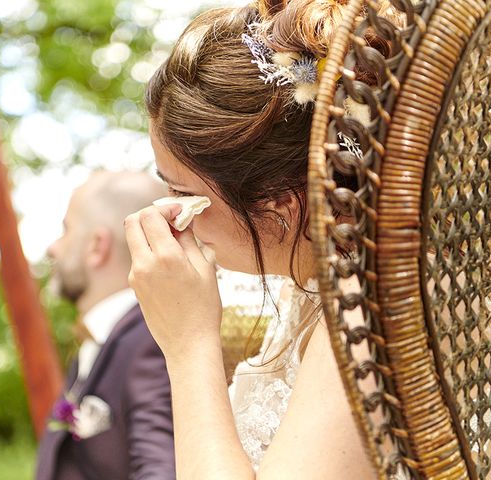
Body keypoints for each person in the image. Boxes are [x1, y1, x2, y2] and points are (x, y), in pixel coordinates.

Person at [123, 0, 405, 478]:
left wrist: (189, 346)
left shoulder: (363, 317)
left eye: (182, 193)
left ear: (280, 206)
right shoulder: (319, 293)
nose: (167, 214)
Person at [36, 170, 176, 480]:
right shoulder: (105, 337)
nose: (53, 249)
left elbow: (161, 471)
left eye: (66, 230)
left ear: (97, 246)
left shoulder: (148, 341)